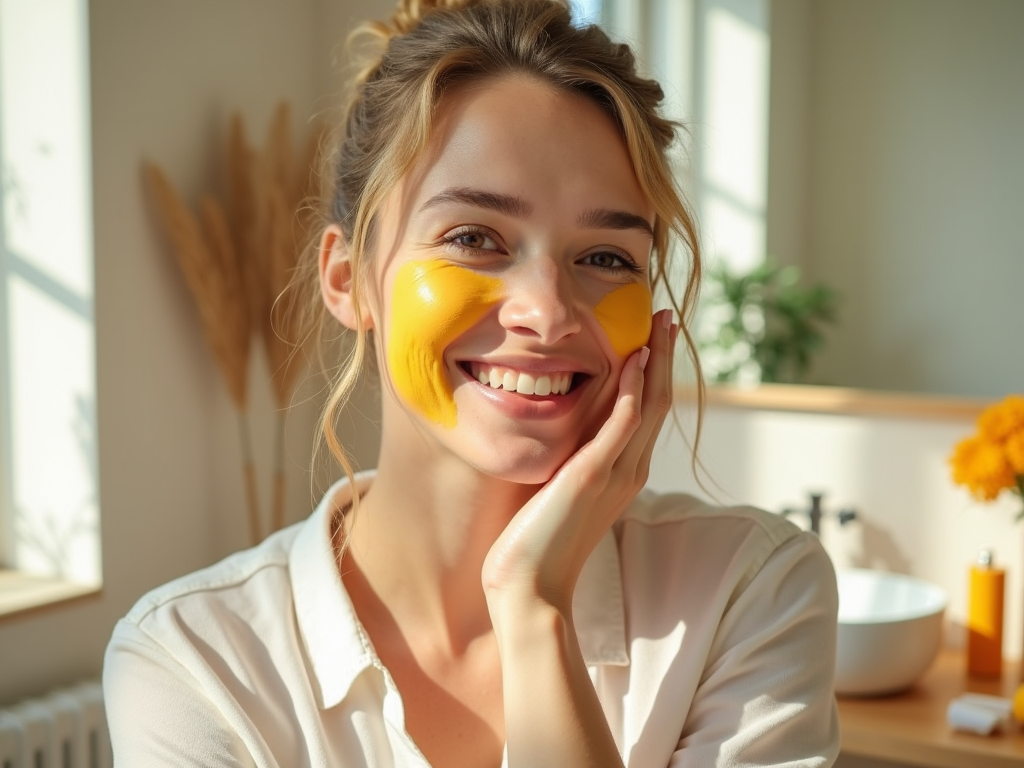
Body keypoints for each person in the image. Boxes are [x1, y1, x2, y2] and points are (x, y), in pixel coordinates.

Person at [103, 0, 840, 765]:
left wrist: (535, 610)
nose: (549, 313)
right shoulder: (193, 664)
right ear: (348, 278)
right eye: (474, 239)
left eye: (607, 257)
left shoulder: (751, 593)